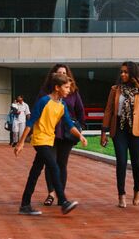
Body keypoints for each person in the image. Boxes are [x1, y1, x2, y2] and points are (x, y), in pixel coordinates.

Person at [15, 71, 87, 215]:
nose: (68, 90)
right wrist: (21, 143)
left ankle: (25, 204)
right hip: (40, 140)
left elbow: (69, 124)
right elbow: (31, 121)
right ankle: (64, 201)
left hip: (49, 140)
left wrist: (80, 136)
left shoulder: (62, 105)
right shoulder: (44, 101)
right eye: (66, 87)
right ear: (57, 88)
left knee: (35, 172)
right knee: (54, 166)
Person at [100, 61, 139, 207]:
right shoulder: (115, 89)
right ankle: (121, 195)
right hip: (119, 129)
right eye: (121, 72)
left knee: (137, 164)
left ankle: (137, 191)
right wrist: (104, 131)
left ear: (133, 73)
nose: (123, 74)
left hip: (136, 130)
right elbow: (109, 110)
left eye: (126, 72)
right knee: (122, 162)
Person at [35, 64, 87, 207]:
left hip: (67, 133)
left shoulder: (72, 91)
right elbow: (37, 113)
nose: (63, 75)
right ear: (53, 76)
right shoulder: (45, 94)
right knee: (50, 163)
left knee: (62, 164)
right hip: (50, 132)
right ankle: (51, 193)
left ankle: (61, 195)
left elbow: (80, 110)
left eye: (65, 73)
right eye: (59, 73)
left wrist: (80, 128)